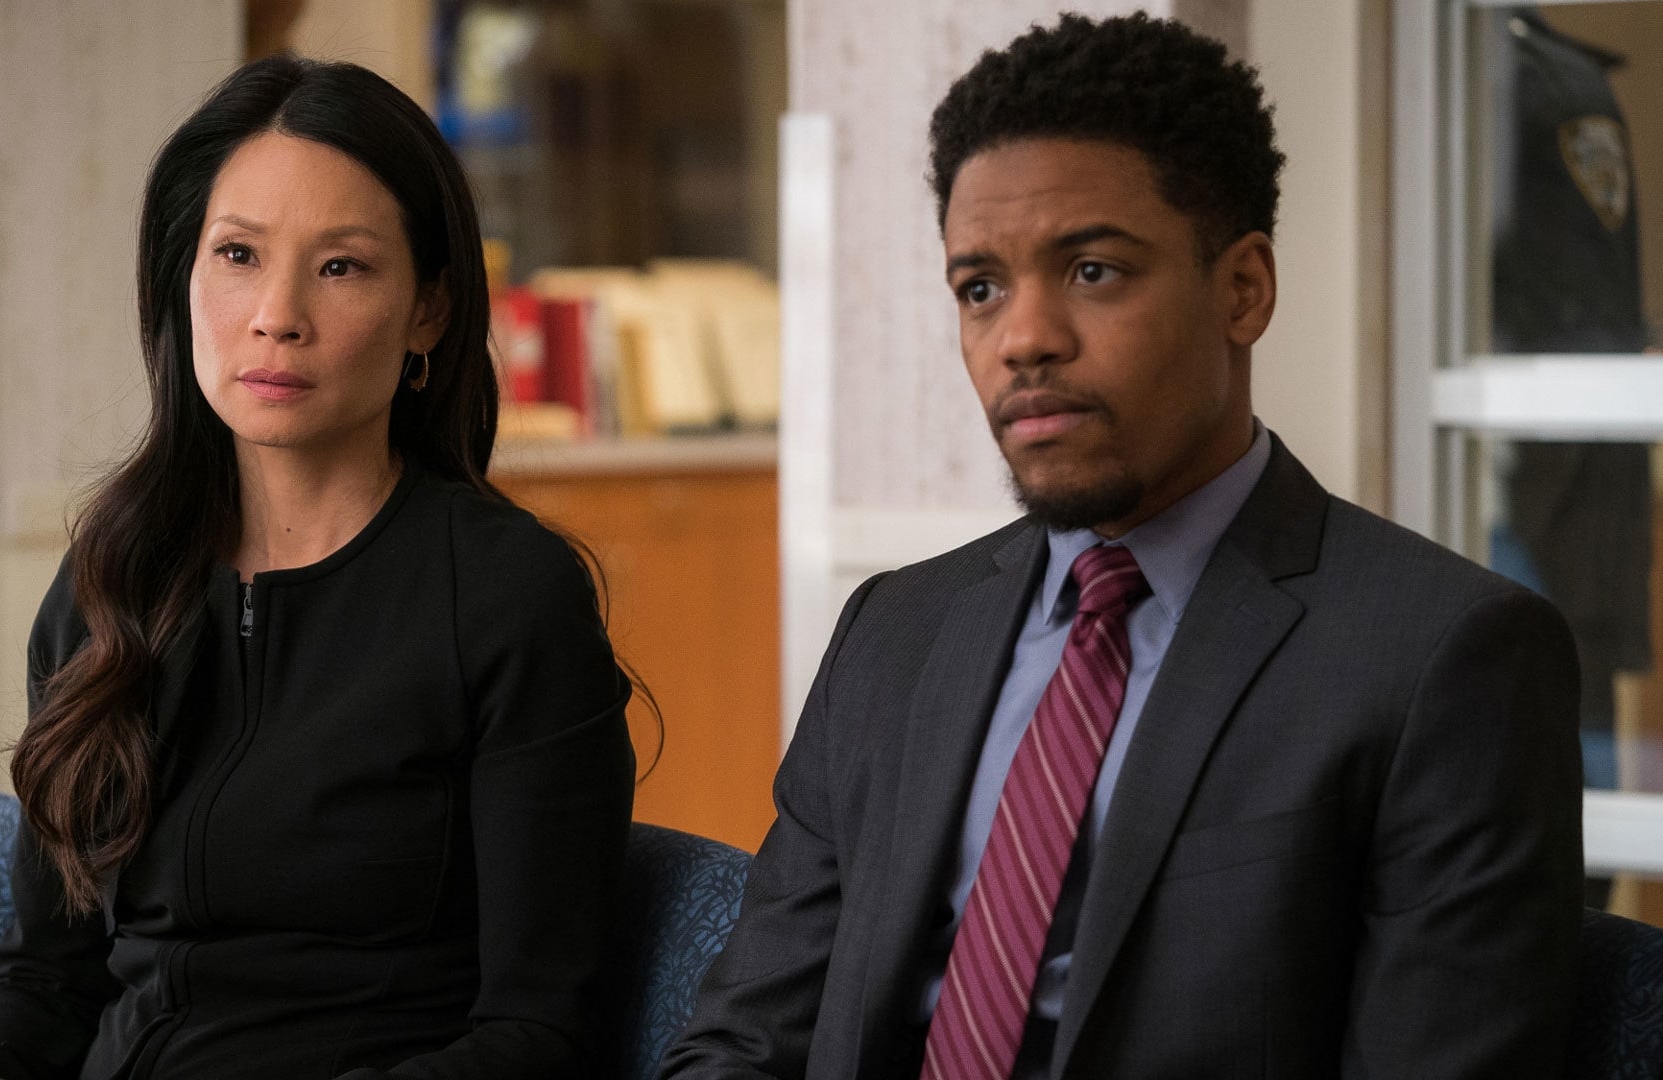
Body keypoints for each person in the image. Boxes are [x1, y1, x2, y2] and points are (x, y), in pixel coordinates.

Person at [660, 13, 1581, 1080]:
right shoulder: (894, 632)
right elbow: (748, 1036)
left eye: (1093, 271)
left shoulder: (1444, 659)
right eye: (980, 289)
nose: (1024, 338)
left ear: (1244, 289)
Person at [0, 55, 636, 1080]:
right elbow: (47, 988)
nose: (276, 314)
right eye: (238, 254)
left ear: (429, 310)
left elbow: (539, 1035)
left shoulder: (508, 597)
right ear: (184, 278)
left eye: (341, 267)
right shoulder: (112, 579)